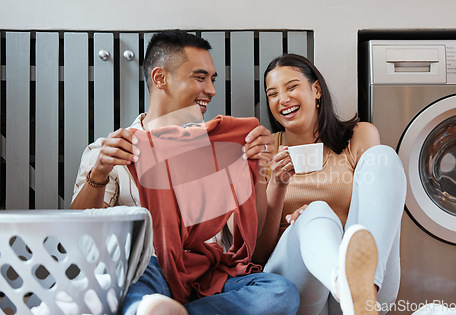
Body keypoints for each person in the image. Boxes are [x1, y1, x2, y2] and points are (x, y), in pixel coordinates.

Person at [71, 30, 299, 315]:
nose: (212, 90)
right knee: (134, 275)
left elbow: (246, 239)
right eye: (200, 77)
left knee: (281, 292)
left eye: (212, 80)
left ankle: (166, 312)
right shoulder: (111, 151)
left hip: (208, 275)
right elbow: (78, 235)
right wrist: (100, 173)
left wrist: (258, 172)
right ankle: (156, 307)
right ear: (160, 78)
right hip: (149, 270)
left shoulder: (222, 150)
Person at [252, 53, 407, 315]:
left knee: (384, 157)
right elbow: (258, 254)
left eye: (291, 87)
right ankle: (346, 287)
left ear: (316, 90)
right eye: (272, 93)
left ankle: (362, 289)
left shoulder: (358, 137)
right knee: (317, 211)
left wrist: (332, 226)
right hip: (297, 286)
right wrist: (280, 188)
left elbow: (376, 208)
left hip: (374, 287)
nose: (283, 99)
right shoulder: (265, 153)